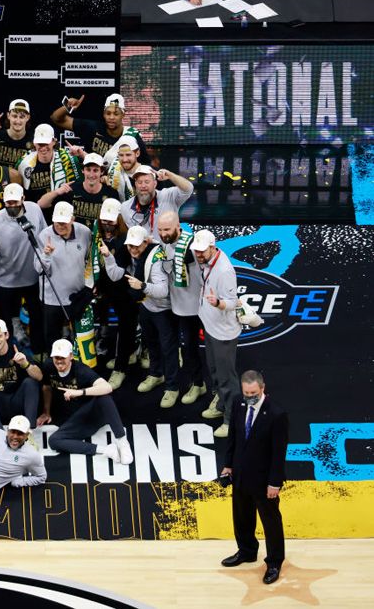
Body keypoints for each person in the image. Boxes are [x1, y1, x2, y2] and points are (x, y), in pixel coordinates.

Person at [220, 370, 288, 585]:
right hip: (240, 475)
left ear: (262, 388)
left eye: (253, 392)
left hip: (264, 480)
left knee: (271, 522)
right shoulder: (239, 403)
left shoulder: (276, 414)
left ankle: (275, 562)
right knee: (241, 517)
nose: (249, 396)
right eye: (246, 392)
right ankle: (247, 551)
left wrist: (274, 482)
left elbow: (279, 453)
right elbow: (233, 437)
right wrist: (228, 466)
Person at [104, 226, 180, 408]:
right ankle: (155, 374)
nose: (133, 250)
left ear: (146, 242)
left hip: (164, 308)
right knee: (151, 343)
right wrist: (108, 257)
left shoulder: (155, 259)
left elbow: (162, 291)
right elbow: (115, 275)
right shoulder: (130, 252)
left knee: (169, 349)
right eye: (130, 246)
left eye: (137, 246)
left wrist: (142, 286)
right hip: (147, 305)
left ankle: (172, 388)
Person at [0, 183, 48, 354]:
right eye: (8, 203)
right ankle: (6, 355)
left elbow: (45, 233)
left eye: (15, 202)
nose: (12, 206)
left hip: (32, 277)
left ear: (23, 199)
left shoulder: (35, 210)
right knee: (4, 322)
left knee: (37, 317)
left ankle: (39, 352)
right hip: (5, 281)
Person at [39, 340, 133, 464]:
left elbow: (108, 387)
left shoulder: (80, 370)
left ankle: (122, 441)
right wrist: (46, 412)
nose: (59, 360)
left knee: (104, 397)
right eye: (57, 357)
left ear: (71, 356)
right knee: (53, 441)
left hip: (89, 414)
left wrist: (79, 392)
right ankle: (106, 450)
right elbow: (46, 387)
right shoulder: (48, 366)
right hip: (72, 420)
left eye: (63, 357)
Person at [192, 230, 242, 438]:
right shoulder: (207, 261)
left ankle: (231, 420)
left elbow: (232, 302)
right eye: (197, 251)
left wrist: (218, 303)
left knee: (226, 378)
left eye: (203, 251)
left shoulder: (224, 271)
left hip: (223, 332)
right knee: (214, 370)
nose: (199, 255)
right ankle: (221, 404)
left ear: (213, 247)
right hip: (211, 326)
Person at [158, 211, 208, 405]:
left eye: (167, 229)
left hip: (194, 308)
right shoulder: (163, 241)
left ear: (178, 226)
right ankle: (173, 385)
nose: (163, 234)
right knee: (171, 347)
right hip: (173, 304)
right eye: (160, 230)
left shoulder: (194, 245)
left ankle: (199, 384)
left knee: (191, 349)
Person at [95, 199, 139, 390]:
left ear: (119, 219)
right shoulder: (94, 234)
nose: (107, 224)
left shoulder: (128, 238)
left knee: (126, 328)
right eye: (104, 220)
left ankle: (120, 369)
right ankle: (125, 353)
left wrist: (108, 256)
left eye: (111, 221)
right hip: (103, 288)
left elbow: (121, 272)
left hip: (123, 289)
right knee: (104, 323)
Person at [33, 201, 92, 342]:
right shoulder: (44, 236)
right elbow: (39, 269)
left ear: (72, 219)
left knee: (79, 339)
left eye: (64, 222)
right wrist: (46, 255)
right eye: (57, 222)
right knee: (52, 338)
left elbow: (89, 261)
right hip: (52, 299)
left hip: (77, 297)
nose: (60, 226)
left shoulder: (85, 233)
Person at [49, 93, 148, 161]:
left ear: (123, 115)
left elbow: (145, 164)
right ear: (103, 114)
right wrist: (68, 107)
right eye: (108, 113)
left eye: (116, 114)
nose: (111, 117)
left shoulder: (132, 137)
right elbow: (56, 118)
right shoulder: (92, 128)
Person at [18, 123, 83, 211]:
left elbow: (97, 166)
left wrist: (82, 154)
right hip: (36, 212)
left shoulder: (67, 159)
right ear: (34, 143)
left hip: (62, 212)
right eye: (40, 144)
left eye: (46, 143)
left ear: (54, 141)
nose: (43, 148)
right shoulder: (25, 163)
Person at [121, 165, 194, 242]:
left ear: (155, 184)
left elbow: (188, 189)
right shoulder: (125, 207)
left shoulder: (168, 196)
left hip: (168, 249)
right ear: (135, 184)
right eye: (139, 182)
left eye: (147, 182)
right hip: (142, 251)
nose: (143, 186)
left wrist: (170, 175)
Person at [63, 152, 119, 228]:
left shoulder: (111, 194)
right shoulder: (71, 190)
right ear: (82, 170)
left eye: (95, 170)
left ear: (102, 172)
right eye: (88, 170)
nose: (91, 174)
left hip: (99, 237)